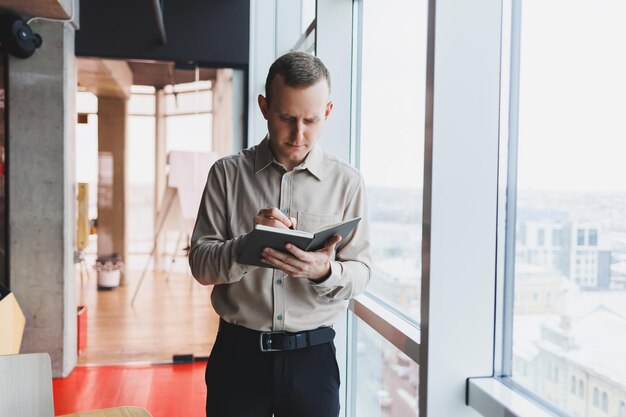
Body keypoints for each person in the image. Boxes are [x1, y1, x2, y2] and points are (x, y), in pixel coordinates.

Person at [189, 51, 371, 417]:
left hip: (313, 360)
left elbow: (361, 273)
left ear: (329, 112)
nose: (298, 135)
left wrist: (323, 271)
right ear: (264, 107)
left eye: (311, 120)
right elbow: (200, 265)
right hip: (238, 357)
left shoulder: (347, 183)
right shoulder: (226, 175)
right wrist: (247, 246)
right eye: (287, 118)